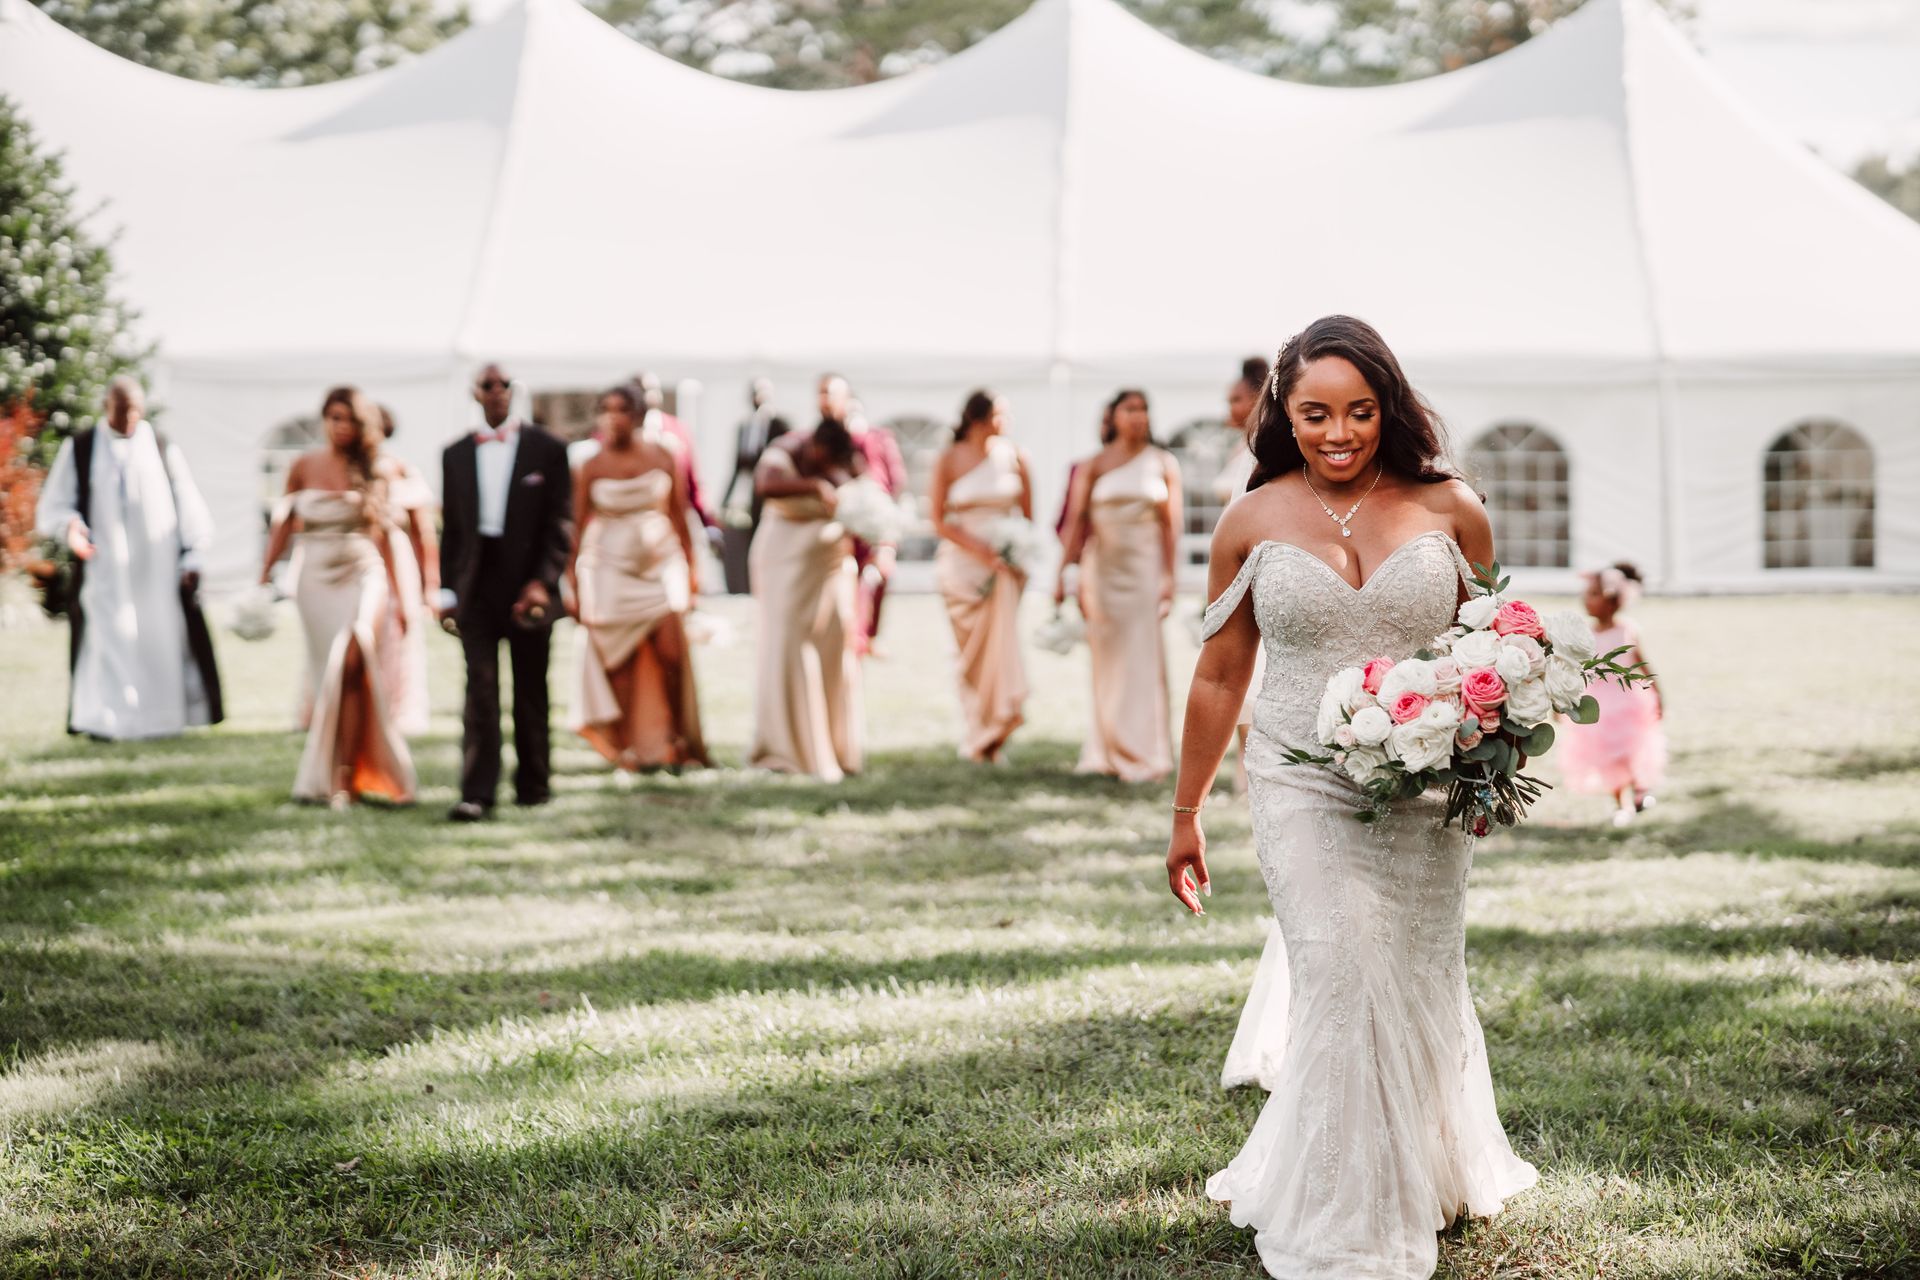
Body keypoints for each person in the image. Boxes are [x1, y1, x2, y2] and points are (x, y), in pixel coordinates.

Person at [1166, 316, 1536, 1279]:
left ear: (1391, 407)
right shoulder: (1250, 521)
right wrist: (1184, 814)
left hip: (1423, 790)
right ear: (1281, 414)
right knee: (1339, 970)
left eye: (1360, 411)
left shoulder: (1454, 508)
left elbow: (1494, 650)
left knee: (1414, 976)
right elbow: (1218, 678)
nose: (1339, 433)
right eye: (1316, 412)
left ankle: (1421, 1168)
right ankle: (1345, 1217)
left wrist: (1484, 764)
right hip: (1298, 776)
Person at [35, 377, 223, 740]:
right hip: (105, 568)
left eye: (136, 409)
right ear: (107, 407)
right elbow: (57, 506)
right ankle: (106, 721)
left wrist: (193, 555)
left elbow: (187, 502)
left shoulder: (162, 446)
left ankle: (161, 720)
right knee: (107, 638)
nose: (130, 417)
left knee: (160, 640)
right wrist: (72, 528)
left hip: (157, 569)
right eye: (123, 410)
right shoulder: (83, 447)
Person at [260, 386, 415, 806]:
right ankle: (340, 776)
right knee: (331, 673)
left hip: (364, 569)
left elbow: (387, 537)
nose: (340, 426)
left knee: (355, 654)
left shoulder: (377, 468)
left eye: (348, 418)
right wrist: (263, 578)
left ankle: (351, 771)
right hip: (314, 575)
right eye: (333, 417)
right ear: (323, 420)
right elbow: (283, 526)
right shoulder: (302, 466)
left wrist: (404, 599)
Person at [439, 364, 573, 822]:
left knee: (531, 689)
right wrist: (446, 591)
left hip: (529, 581)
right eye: (487, 385)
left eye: (504, 385)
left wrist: (543, 582)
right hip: (476, 584)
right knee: (480, 690)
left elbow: (561, 523)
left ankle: (534, 786)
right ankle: (476, 793)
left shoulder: (549, 449)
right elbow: (452, 531)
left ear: (514, 392)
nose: (497, 392)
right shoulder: (454, 453)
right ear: (474, 393)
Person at [567, 385, 709, 772]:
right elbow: (577, 527)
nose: (614, 418)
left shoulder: (665, 454)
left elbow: (679, 516)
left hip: (659, 565)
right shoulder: (589, 463)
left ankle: (680, 741)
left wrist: (693, 570)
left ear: (638, 415)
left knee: (672, 654)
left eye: (622, 410)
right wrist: (572, 582)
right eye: (606, 410)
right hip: (608, 568)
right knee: (619, 662)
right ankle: (626, 746)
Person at [1053, 389, 1179, 783]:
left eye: (1143, 408)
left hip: (1144, 571)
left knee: (1145, 660)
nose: (1138, 416)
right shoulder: (1093, 464)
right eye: (1130, 409)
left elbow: (1171, 526)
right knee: (1107, 663)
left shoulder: (1163, 462)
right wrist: (1062, 573)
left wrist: (1170, 577)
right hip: (1102, 572)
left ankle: (1144, 752)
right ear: (1112, 416)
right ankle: (1106, 749)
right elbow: (1075, 523)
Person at [748, 409, 866, 780]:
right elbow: (764, 485)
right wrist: (814, 487)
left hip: (827, 567)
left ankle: (834, 746)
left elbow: (865, 489)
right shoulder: (785, 449)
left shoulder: (849, 459)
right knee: (788, 646)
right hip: (784, 562)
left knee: (831, 646)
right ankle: (788, 747)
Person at [930, 390, 1034, 763]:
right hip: (962, 566)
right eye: (999, 414)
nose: (1005, 421)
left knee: (1000, 649)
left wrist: (1014, 554)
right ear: (977, 418)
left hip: (1006, 570)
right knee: (970, 655)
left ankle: (998, 731)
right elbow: (939, 520)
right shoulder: (949, 458)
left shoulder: (1017, 458)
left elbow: (1027, 518)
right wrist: (982, 552)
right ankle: (977, 731)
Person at [1558, 562, 1666, 826]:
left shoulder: (1627, 630)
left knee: (1632, 750)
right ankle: (1621, 803)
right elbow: (1573, 669)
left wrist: (1658, 695)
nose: (1586, 599)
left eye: (1593, 593)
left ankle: (1641, 790)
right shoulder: (1584, 633)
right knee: (1608, 758)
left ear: (1612, 600)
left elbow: (1642, 665)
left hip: (1628, 703)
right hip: (1597, 706)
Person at [1215, 356, 1271, 797]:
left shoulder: (1258, 450)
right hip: (1231, 562)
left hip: (1256, 564)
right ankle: (1242, 762)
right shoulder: (1241, 447)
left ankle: (1252, 762)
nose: (1227, 408)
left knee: (1255, 667)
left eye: (1235, 399)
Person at [375, 404, 438, 736]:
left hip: (398, 562)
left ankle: (397, 708)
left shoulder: (402, 470)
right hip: (358, 560)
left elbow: (423, 533)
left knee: (397, 630)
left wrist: (431, 584)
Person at [833, 379, 906, 656]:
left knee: (879, 575)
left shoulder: (879, 437)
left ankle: (869, 634)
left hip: (877, 517)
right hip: (849, 518)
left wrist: (885, 511)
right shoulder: (839, 442)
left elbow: (895, 477)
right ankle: (853, 634)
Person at [718, 377, 789, 593]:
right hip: (748, 494)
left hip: (770, 494)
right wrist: (725, 499)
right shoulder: (744, 427)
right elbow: (736, 466)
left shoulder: (780, 425)